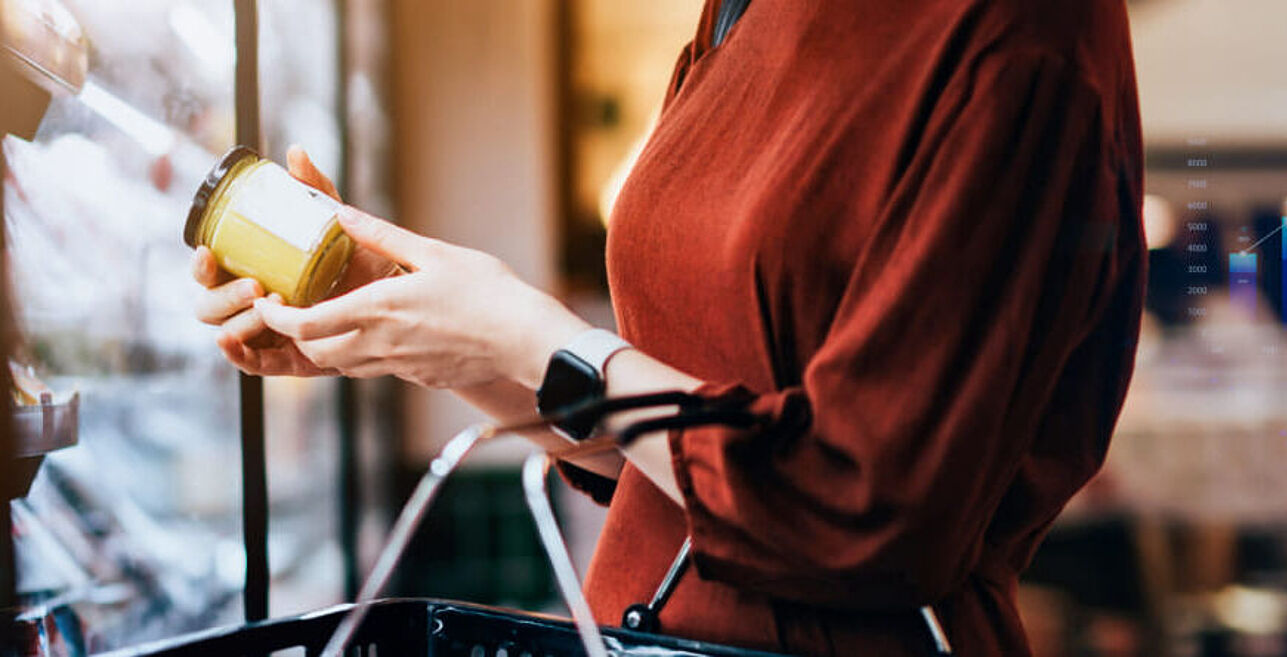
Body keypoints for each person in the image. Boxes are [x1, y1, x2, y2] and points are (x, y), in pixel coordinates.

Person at [193, 0, 1145, 654]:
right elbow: (690, 457)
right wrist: (406, 318)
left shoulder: (1019, 35)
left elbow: (868, 507)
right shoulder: (740, 10)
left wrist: (527, 333)